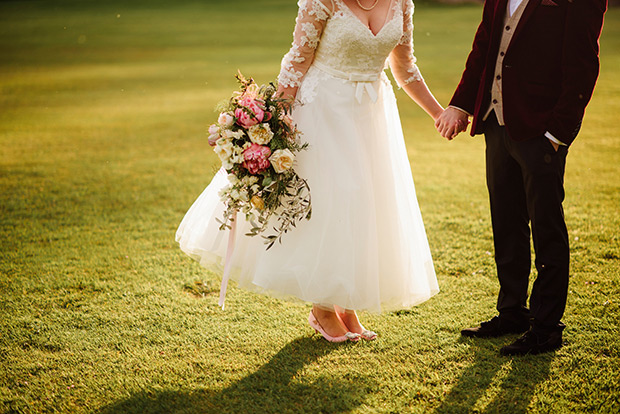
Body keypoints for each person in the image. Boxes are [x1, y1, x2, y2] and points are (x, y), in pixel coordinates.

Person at [176, 0, 442, 342]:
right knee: (332, 201)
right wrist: (277, 123)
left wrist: (438, 113)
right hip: (321, 111)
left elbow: (405, 69)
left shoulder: (402, 3)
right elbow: (296, 62)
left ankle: (346, 304)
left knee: (362, 206)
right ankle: (323, 308)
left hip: (371, 116)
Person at [435, 0, 607, 355]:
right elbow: (485, 43)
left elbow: (584, 63)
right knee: (507, 222)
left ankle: (546, 328)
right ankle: (512, 312)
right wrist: (461, 103)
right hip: (497, 123)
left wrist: (558, 134)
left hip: (541, 131)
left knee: (546, 228)